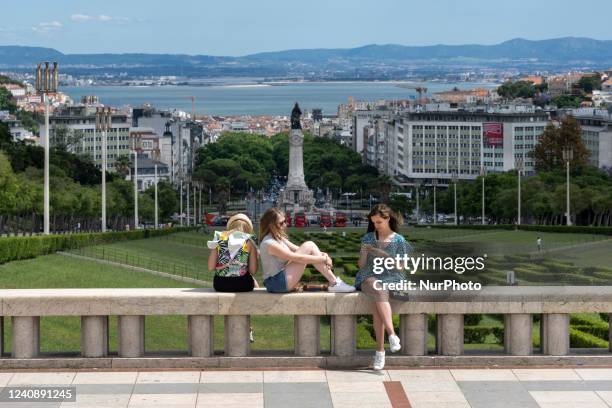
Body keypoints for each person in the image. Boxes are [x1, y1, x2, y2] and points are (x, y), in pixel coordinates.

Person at [355, 204, 412, 370]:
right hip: (369, 277)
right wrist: (365, 253)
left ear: (387, 219)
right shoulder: (368, 238)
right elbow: (361, 265)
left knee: (377, 307)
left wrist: (385, 255)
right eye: (373, 222)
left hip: (393, 278)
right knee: (378, 289)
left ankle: (380, 352)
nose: (376, 225)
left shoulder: (399, 241)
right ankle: (392, 335)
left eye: (379, 222)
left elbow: (401, 267)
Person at [258, 208, 355, 293]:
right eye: (281, 223)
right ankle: (334, 283)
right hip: (276, 283)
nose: (285, 225)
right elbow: (297, 257)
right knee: (309, 244)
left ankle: (334, 282)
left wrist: (324, 254)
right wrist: (323, 259)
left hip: (279, 280)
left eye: (285, 221)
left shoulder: (277, 237)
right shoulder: (269, 243)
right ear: (271, 225)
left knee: (310, 245)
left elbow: (298, 249)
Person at [207, 213, 259, 292]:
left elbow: (211, 267)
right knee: (254, 282)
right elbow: (253, 270)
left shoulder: (219, 238)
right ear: (248, 228)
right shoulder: (249, 241)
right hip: (243, 284)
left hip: (220, 284)